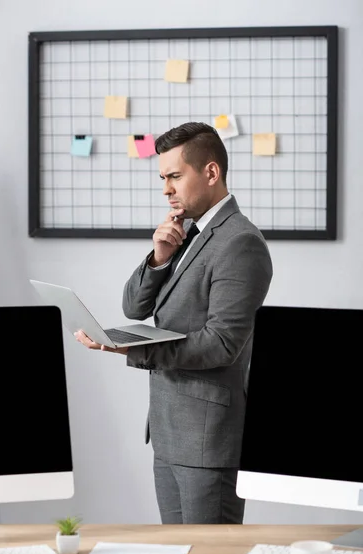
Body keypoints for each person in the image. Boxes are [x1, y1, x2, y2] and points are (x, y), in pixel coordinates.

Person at [75, 122, 273, 524]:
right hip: (169, 434)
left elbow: (221, 344)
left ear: (211, 173)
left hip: (208, 440)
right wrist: (159, 257)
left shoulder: (240, 242)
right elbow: (134, 307)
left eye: (175, 176)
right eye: (162, 178)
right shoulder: (188, 234)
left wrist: (134, 348)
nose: (166, 188)